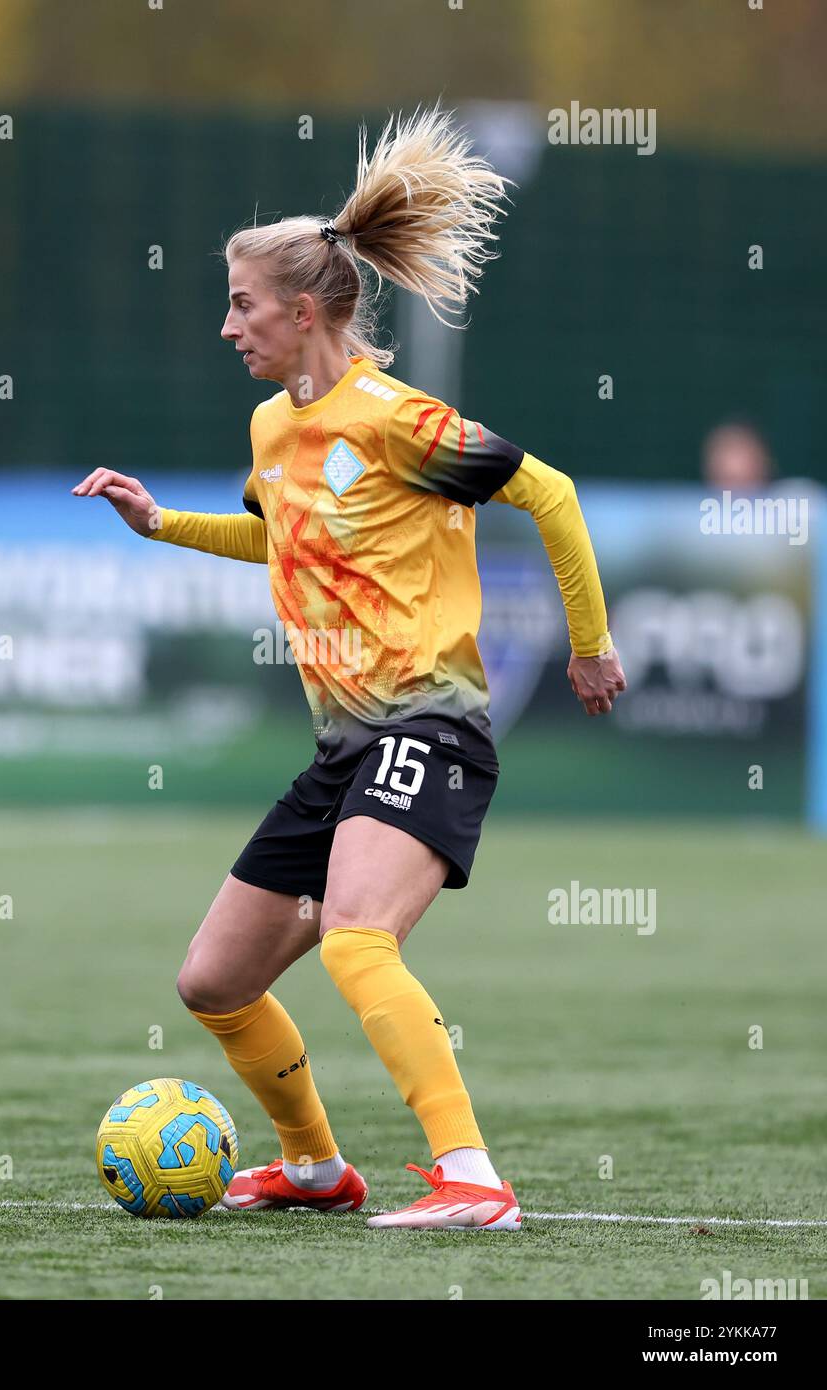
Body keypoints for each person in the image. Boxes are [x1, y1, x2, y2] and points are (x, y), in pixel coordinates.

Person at [73, 103, 626, 1231]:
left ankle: (473, 1180)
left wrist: (588, 641)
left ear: (305, 310)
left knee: (356, 937)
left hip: (430, 732)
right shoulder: (273, 431)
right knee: (212, 982)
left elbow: (549, 494)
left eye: (241, 305)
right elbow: (277, 536)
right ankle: (316, 1164)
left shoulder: (397, 420)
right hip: (339, 750)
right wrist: (160, 522)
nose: (227, 327)